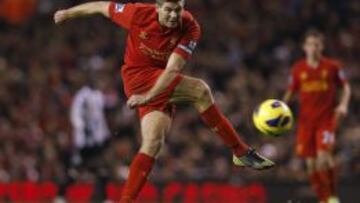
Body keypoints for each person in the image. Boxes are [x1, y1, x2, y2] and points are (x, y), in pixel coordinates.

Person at [54, 1, 274, 202]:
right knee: (200, 91)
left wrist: (149, 97)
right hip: (137, 78)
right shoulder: (138, 14)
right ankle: (240, 151)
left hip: (159, 81)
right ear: (157, 7)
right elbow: (102, 6)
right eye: (167, 9)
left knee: (153, 144)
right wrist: (68, 13)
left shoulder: (190, 27)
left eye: (177, 9)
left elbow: (173, 69)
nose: (172, 15)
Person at [283, 30, 351, 203]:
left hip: (326, 120)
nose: (313, 48)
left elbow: (346, 88)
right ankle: (323, 199)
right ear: (304, 47)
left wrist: (343, 105)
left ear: (322, 47)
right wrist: (281, 107)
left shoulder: (332, 67)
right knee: (311, 165)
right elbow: (290, 92)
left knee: (323, 159)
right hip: (306, 123)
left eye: (317, 44)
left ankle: (333, 197)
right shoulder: (298, 69)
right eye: (310, 44)